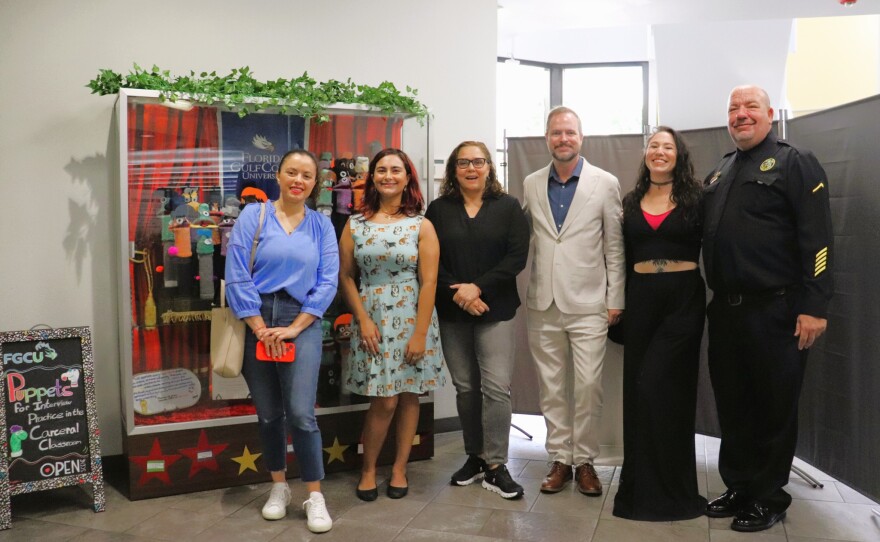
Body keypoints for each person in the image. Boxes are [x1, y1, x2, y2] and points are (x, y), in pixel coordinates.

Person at [702, 85, 833, 532]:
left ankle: (769, 495)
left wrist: (814, 306)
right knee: (734, 404)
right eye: (733, 107)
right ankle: (739, 484)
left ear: (770, 114)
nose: (740, 114)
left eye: (750, 107)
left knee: (773, 408)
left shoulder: (795, 162)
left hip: (776, 310)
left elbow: (818, 239)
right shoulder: (720, 171)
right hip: (726, 312)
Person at [225, 149, 338, 534]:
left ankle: (315, 495)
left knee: (302, 413)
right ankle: (279, 486)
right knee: (269, 412)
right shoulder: (252, 216)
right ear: (278, 174)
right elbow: (237, 274)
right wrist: (259, 327)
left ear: (313, 183)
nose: (299, 180)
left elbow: (327, 282)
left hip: (300, 321)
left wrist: (293, 328)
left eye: (307, 175)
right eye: (292, 172)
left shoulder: (322, 226)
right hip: (256, 319)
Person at [522, 106, 626, 497]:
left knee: (587, 387)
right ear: (546, 138)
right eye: (556, 133)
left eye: (570, 133)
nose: (563, 139)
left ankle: (585, 461)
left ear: (581, 137)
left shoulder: (604, 183)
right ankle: (559, 459)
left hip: (590, 303)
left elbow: (614, 247)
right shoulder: (532, 183)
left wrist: (616, 297)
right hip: (542, 302)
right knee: (551, 387)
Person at [338, 148, 445, 501]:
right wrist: (362, 319)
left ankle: (399, 468)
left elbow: (429, 282)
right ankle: (368, 469)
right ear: (372, 177)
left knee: (410, 394)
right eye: (381, 170)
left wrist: (419, 334)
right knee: (383, 400)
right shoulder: (355, 224)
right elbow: (346, 277)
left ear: (407, 177)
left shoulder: (422, 225)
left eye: (395, 170)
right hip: (372, 319)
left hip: (413, 320)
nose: (387, 175)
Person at [611, 127, 707, 521]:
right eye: (654, 146)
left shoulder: (697, 198)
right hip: (641, 301)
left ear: (678, 154)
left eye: (667, 146)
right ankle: (639, 492)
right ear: (646, 154)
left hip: (683, 300)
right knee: (638, 392)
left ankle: (674, 490)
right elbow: (620, 254)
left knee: (664, 389)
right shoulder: (631, 201)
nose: (659, 152)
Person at [425, 141, 530, 499]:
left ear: (489, 168)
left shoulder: (509, 207)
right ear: (453, 170)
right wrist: (459, 294)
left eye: (479, 161)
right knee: (466, 388)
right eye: (464, 162)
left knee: (496, 388)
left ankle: (497, 466)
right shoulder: (438, 210)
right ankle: (476, 456)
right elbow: (430, 261)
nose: (472, 168)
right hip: (454, 312)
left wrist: (476, 288)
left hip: (496, 310)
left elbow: (517, 258)